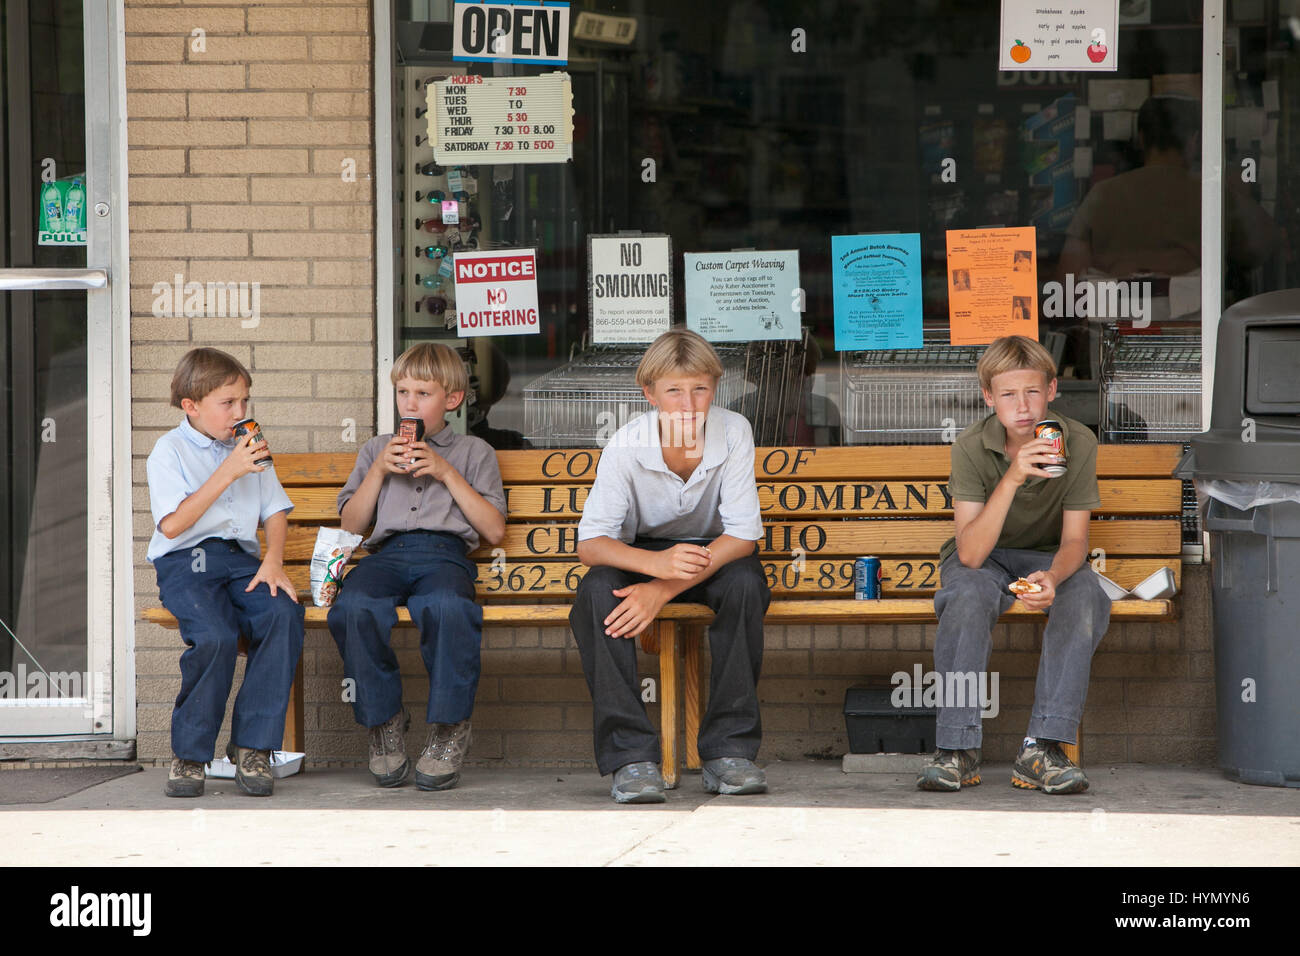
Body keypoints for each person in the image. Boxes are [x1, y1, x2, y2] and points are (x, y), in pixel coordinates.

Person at [570, 328, 770, 804]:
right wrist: (656, 567)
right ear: (650, 394)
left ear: (714, 389)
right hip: (642, 551)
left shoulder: (733, 430)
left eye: (699, 388)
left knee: (746, 584)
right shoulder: (626, 443)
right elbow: (591, 544)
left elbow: (743, 535)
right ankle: (631, 759)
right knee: (597, 593)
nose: (688, 402)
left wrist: (661, 589)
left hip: (713, 552)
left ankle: (729, 753)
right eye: (673, 390)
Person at [917, 335, 1110, 795]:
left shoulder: (1077, 442)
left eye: (1031, 392)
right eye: (1007, 394)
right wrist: (1014, 474)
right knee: (967, 595)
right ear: (989, 398)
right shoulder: (970, 445)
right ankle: (957, 748)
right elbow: (970, 555)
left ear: (1052, 391)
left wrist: (1054, 577)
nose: (1022, 406)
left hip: (1048, 558)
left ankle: (1042, 747)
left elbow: (1076, 539)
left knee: (1085, 596)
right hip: (985, 559)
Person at [328, 343, 506, 791]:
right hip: (384, 555)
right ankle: (384, 720)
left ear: (452, 400)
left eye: (423, 393)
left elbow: (494, 531)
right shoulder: (374, 449)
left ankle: (449, 728)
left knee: (448, 607)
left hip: (444, 555)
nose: (410, 403)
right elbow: (352, 526)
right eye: (403, 392)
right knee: (354, 607)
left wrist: (446, 472)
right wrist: (378, 473)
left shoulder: (473, 451)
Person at [146, 348, 305, 798]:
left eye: (244, 402)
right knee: (214, 634)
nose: (240, 413)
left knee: (283, 615)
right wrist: (228, 470)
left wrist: (274, 559)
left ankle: (253, 747)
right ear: (190, 406)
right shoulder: (169, 450)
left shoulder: (248, 445)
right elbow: (173, 524)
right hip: (186, 561)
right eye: (228, 403)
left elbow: (275, 509)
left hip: (241, 561)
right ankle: (191, 755)